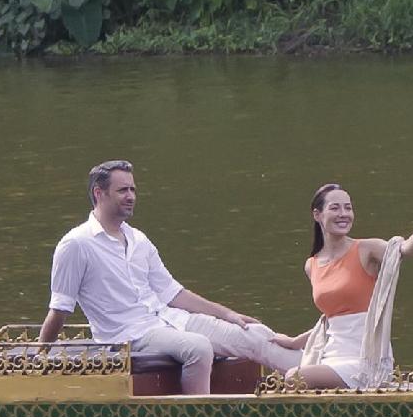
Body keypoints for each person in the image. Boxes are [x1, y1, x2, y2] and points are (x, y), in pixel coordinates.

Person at [37, 159, 303, 393]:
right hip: (129, 336)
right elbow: (59, 309)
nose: (131, 196)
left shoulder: (138, 239)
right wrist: (37, 356)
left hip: (171, 320)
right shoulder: (76, 244)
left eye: (133, 189)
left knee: (256, 333)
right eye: (122, 190)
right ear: (99, 193)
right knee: (198, 348)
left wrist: (229, 315)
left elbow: (173, 294)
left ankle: (322, 381)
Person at [282, 183, 413, 390]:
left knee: (294, 376)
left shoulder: (367, 249)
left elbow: (403, 250)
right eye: (335, 208)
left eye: (348, 207)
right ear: (317, 215)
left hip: (365, 360)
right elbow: (331, 322)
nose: (344, 214)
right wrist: (294, 343)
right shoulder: (311, 265)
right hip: (330, 356)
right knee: (289, 372)